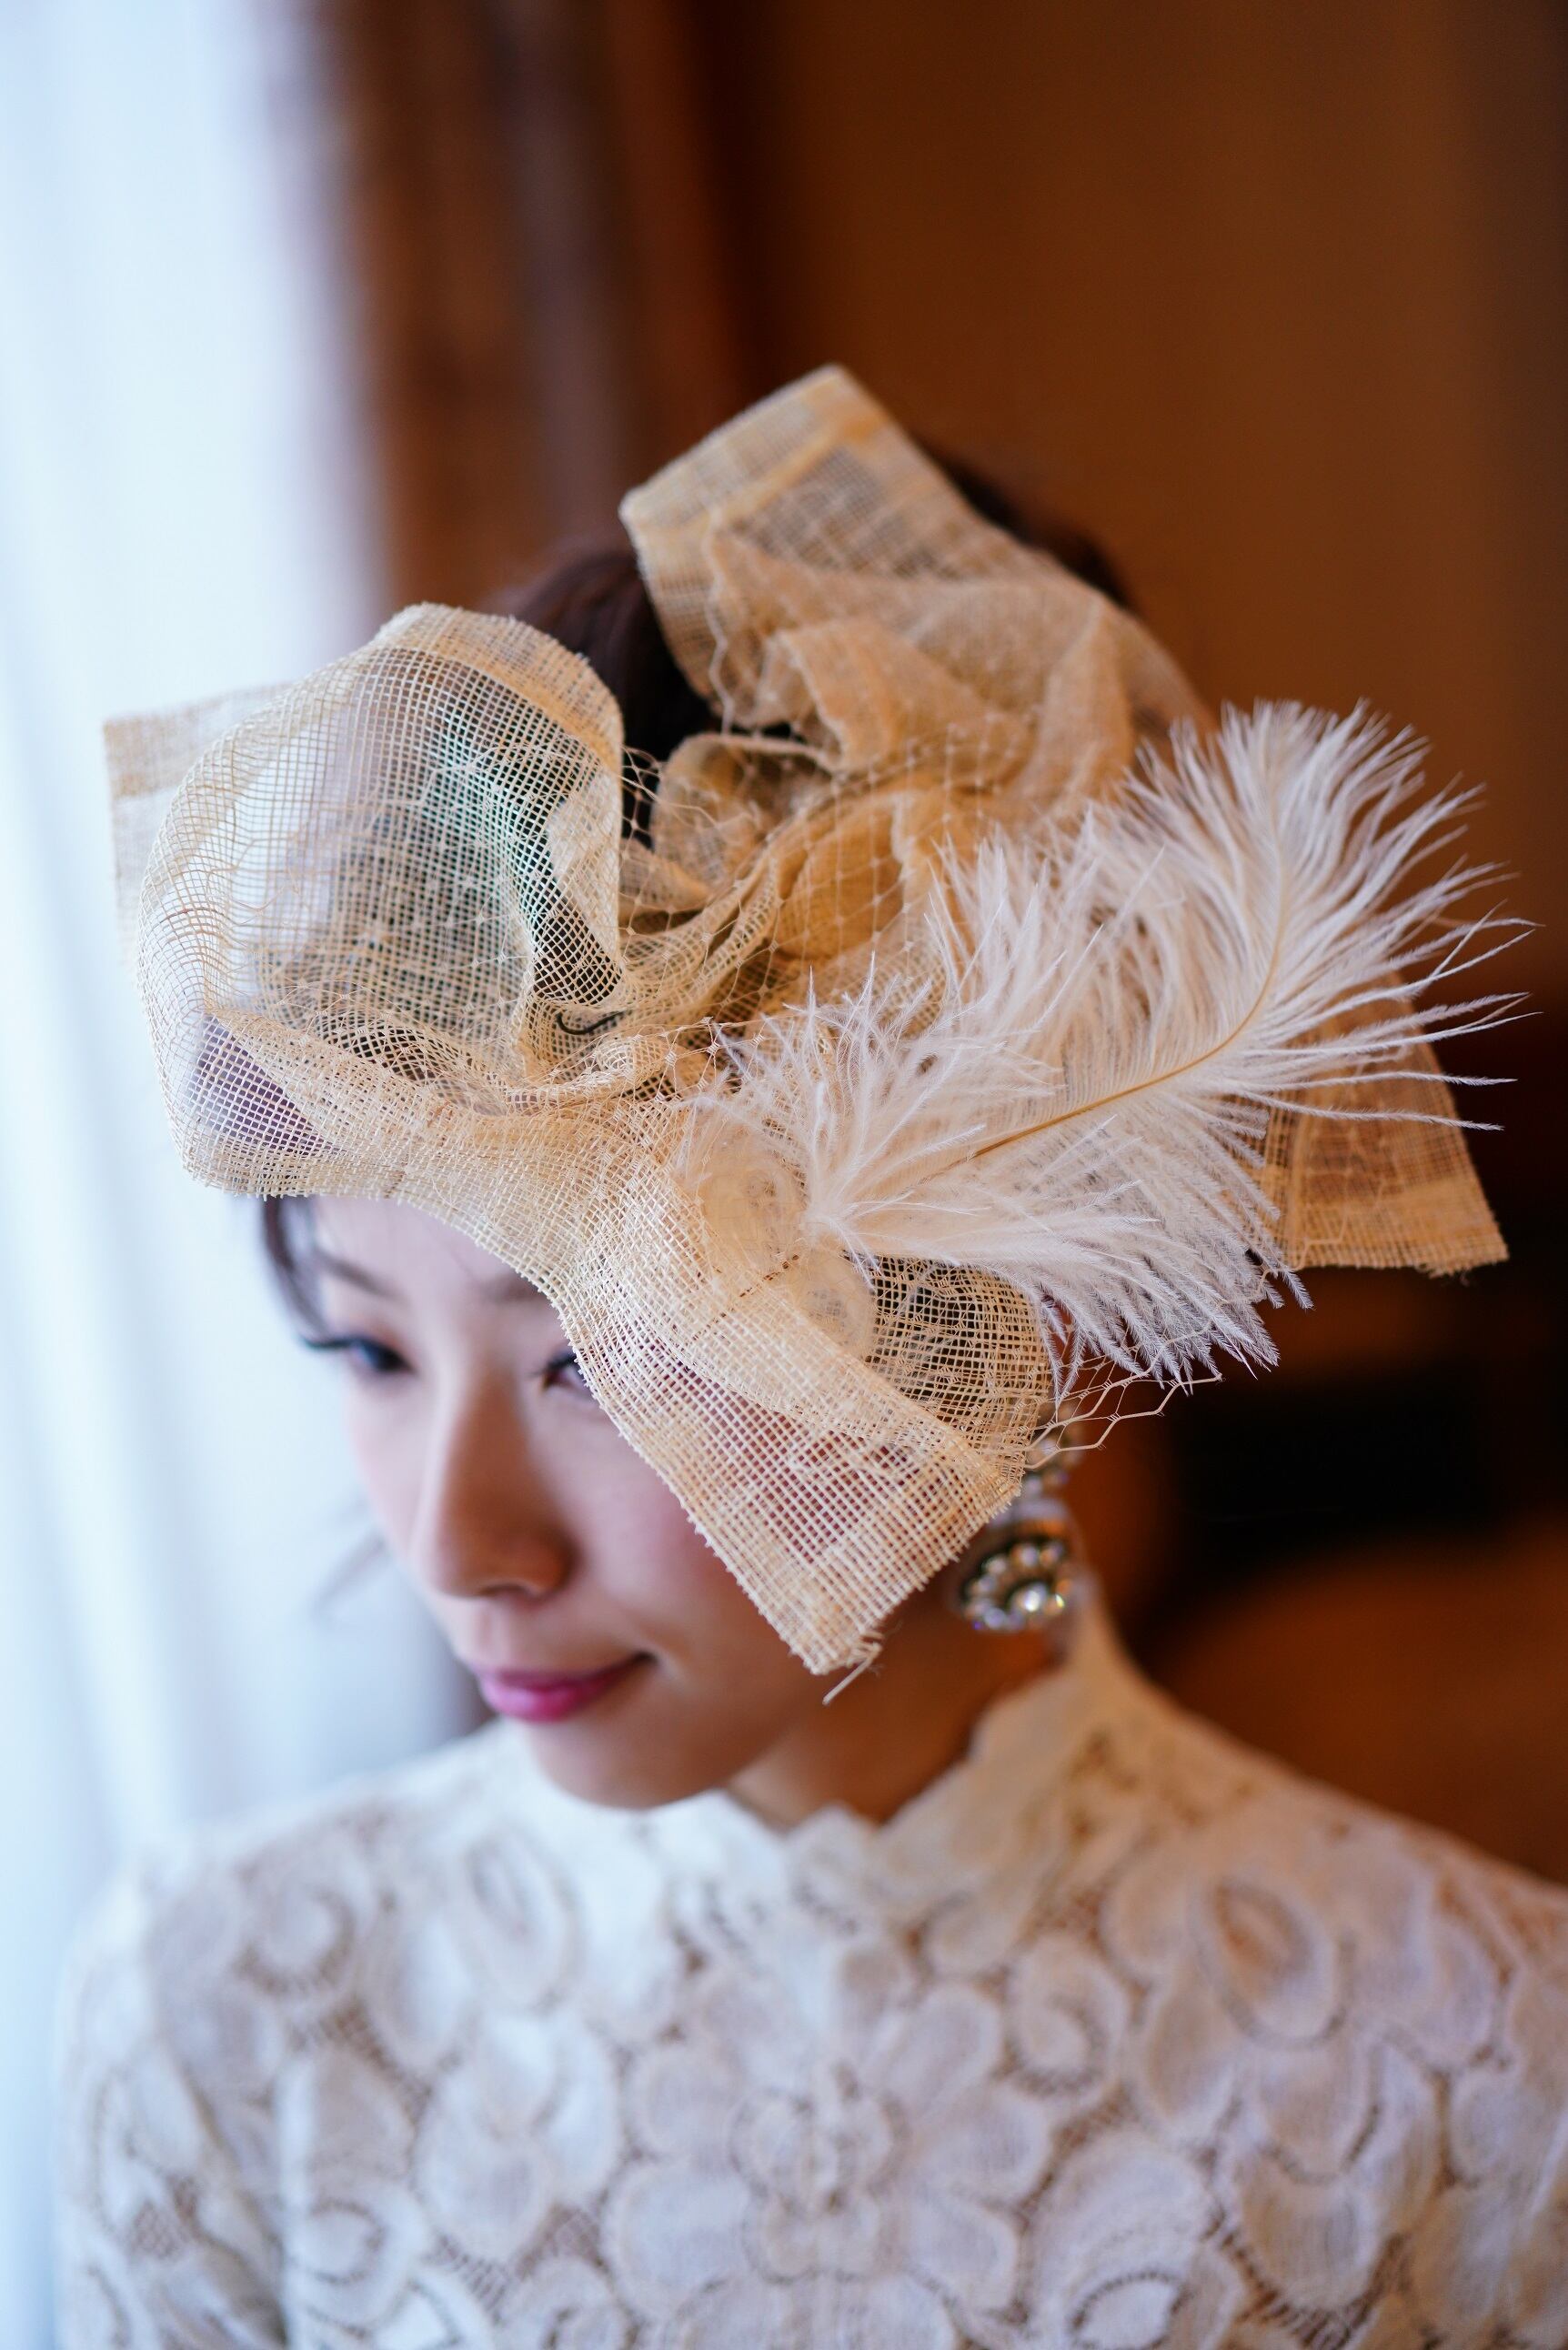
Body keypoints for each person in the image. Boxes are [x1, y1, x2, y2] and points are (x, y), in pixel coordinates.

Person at [55, 368, 1568, 2347]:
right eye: (365, 1345)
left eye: (597, 1362)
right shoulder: (230, 2009)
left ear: (1003, 1311)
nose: (457, 1543)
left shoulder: (1477, 2079)